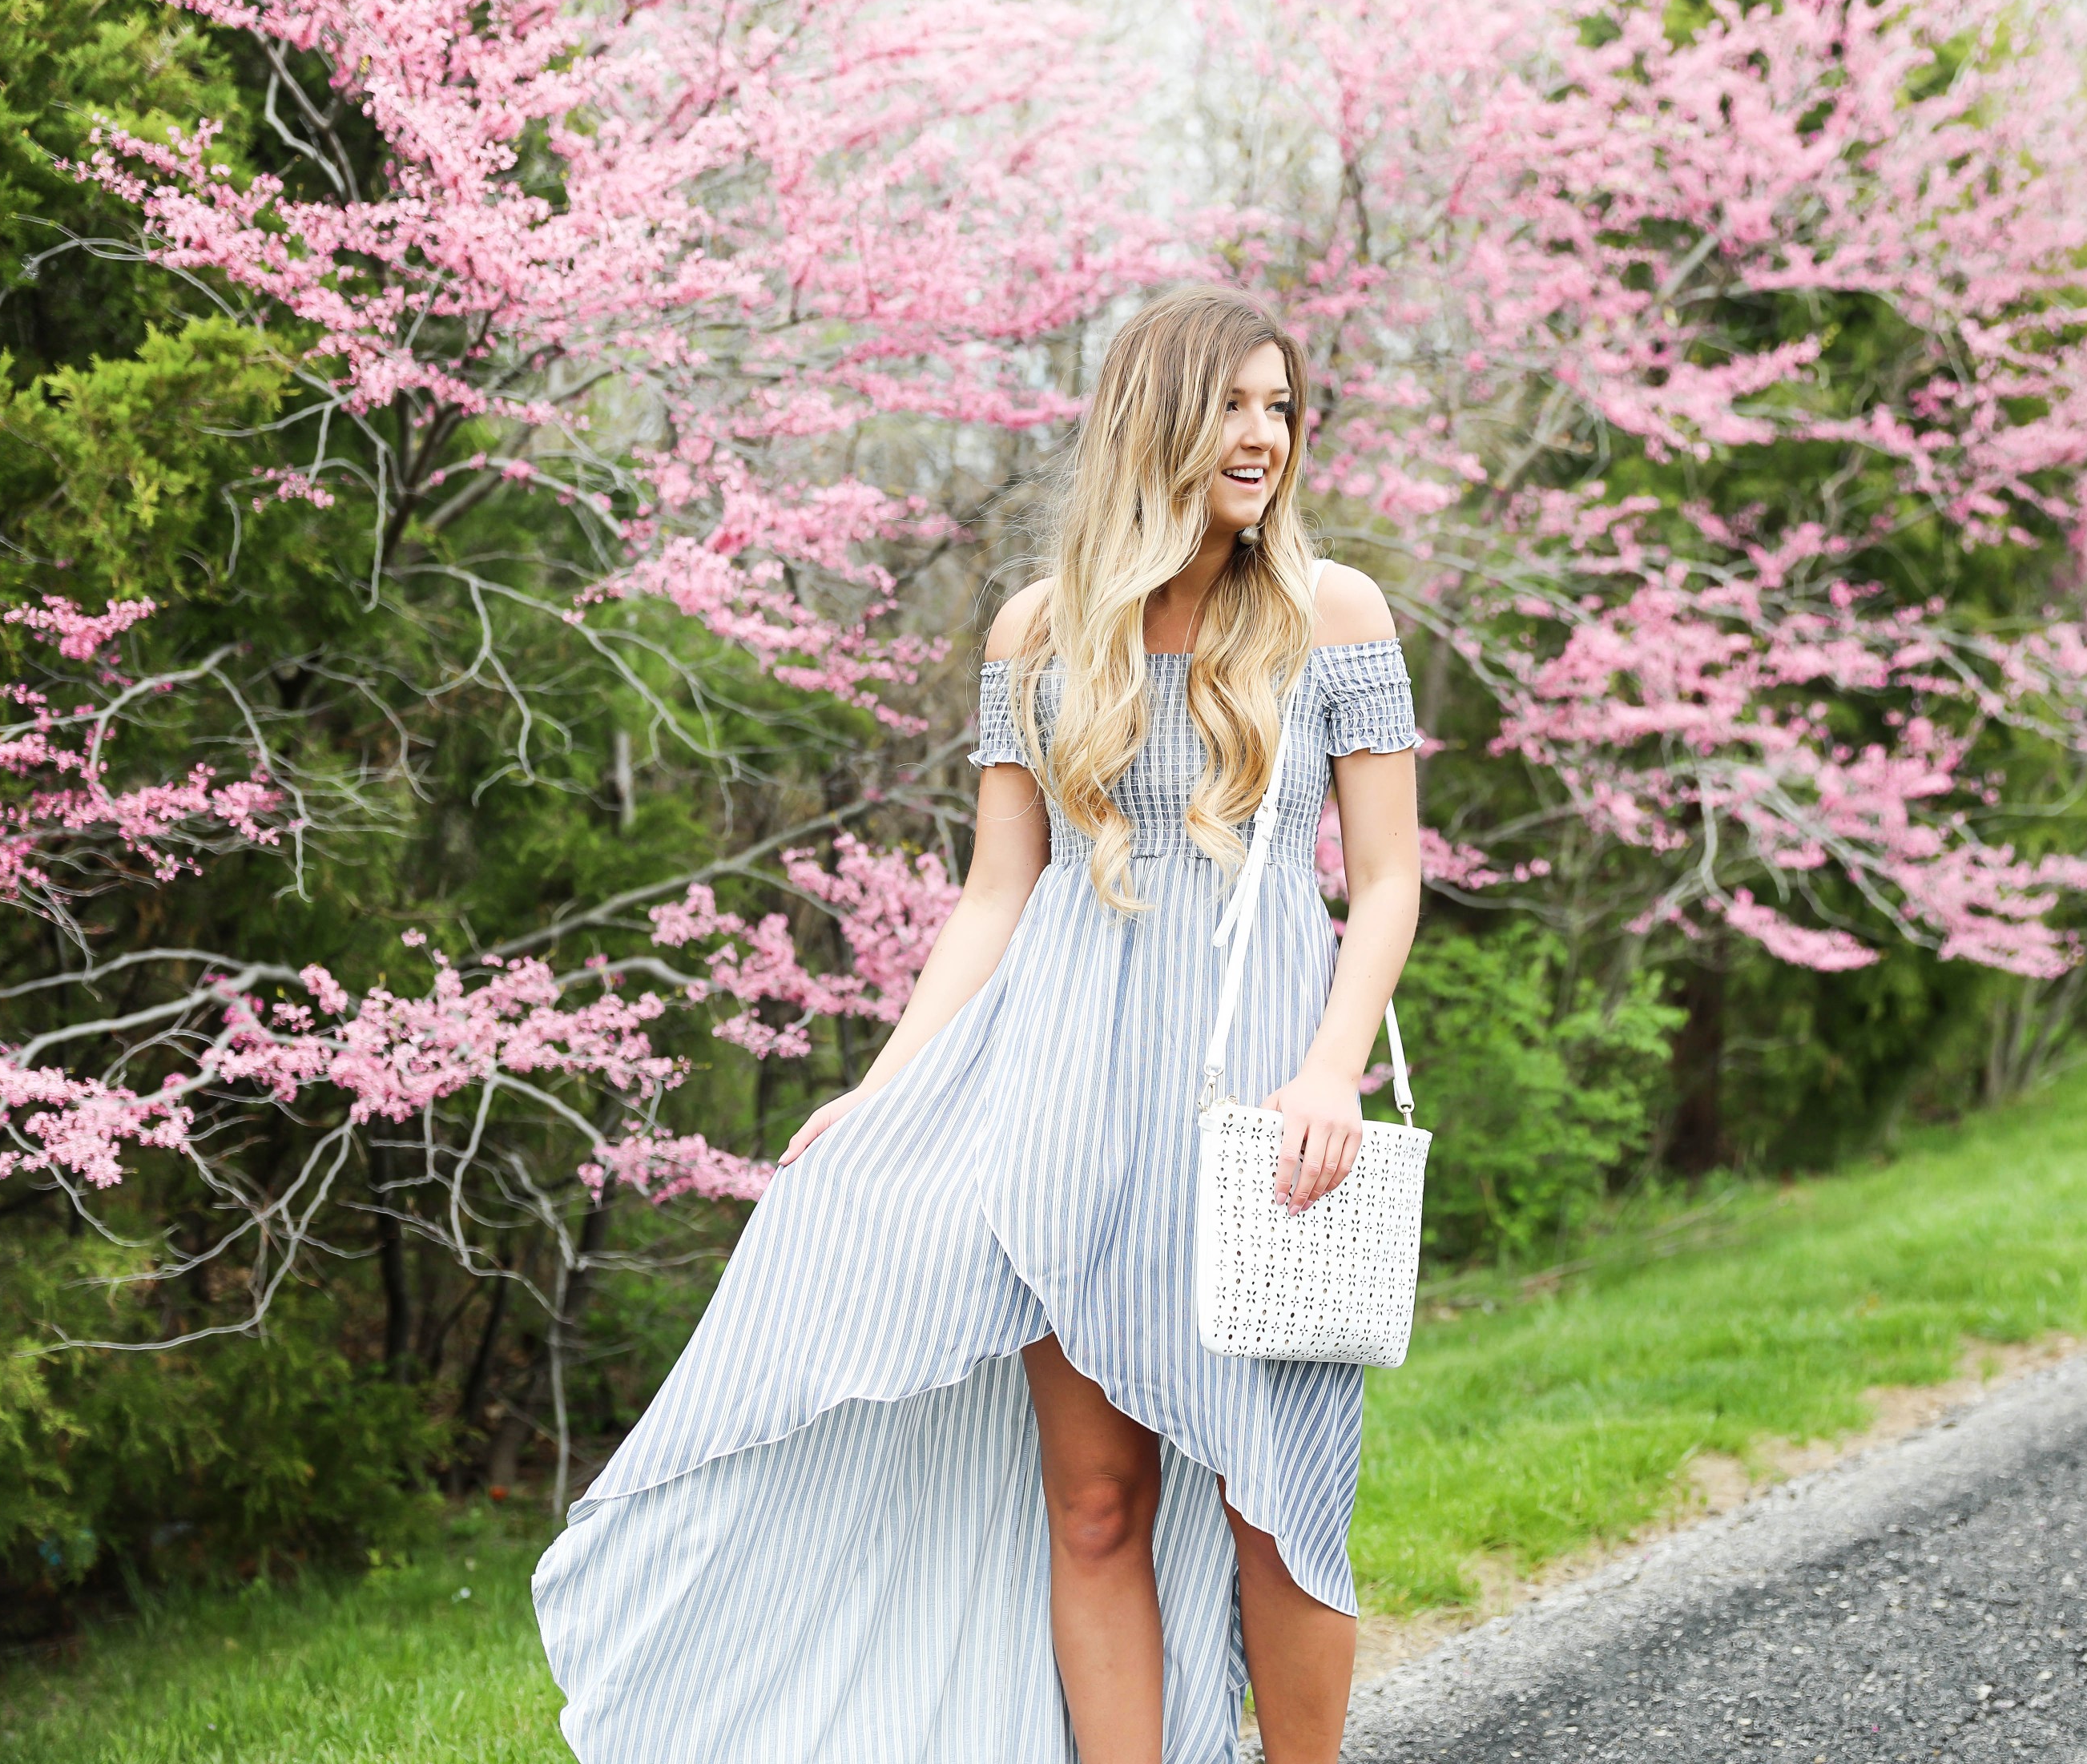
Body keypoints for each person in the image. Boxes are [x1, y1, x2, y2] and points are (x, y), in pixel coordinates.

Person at [533, 283, 1423, 1764]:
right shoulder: (1039, 629)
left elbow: (1389, 879)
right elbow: (996, 896)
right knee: (1094, 1507)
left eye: (1282, 406)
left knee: (1280, 1505)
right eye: (1237, 406)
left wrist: (1334, 1069)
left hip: (1269, 1112)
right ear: (1159, 421)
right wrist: (884, 1094)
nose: (1266, 436)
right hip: (1062, 1096)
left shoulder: (1334, 614)